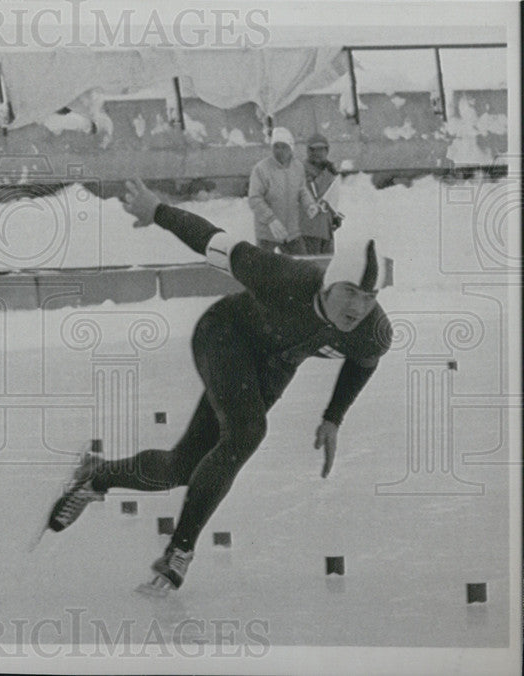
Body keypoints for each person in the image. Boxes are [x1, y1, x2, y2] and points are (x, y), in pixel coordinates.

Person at [45, 178, 393, 594]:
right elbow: (213, 240)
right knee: (247, 432)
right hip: (225, 335)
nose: (358, 307)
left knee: (182, 468)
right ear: (329, 283)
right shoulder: (282, 276)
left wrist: (333, 417)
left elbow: (363, 364)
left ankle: (95, 478)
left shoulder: (372, 331)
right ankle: (180, 551)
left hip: (273, 367)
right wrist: (157, 209)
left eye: (369, 297)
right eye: (351, 292)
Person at [248, 127, 320, 255]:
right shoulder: (261, 169)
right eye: (276, 146)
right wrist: (271, 220)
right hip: (268, 233)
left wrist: (310, 205)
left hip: (292, 232)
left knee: (301, 268)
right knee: (263, 269)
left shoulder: (297, 167)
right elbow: (255, 199)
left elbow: (302, 190)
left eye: (284, 147)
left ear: (291, 148)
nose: (279, 151)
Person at [300, 133, 344, 254]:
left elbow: (328, 199)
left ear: (327, 150)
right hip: (308, 231)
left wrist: (333, 215)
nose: (317, 153)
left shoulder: (328, 171)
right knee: (313, 268)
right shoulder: (301, 171)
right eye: (313, 149)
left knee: (327, 268)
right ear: (308, 151)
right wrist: (328, 174)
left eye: (321, 149)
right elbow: (315, 195)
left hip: (325, 230)